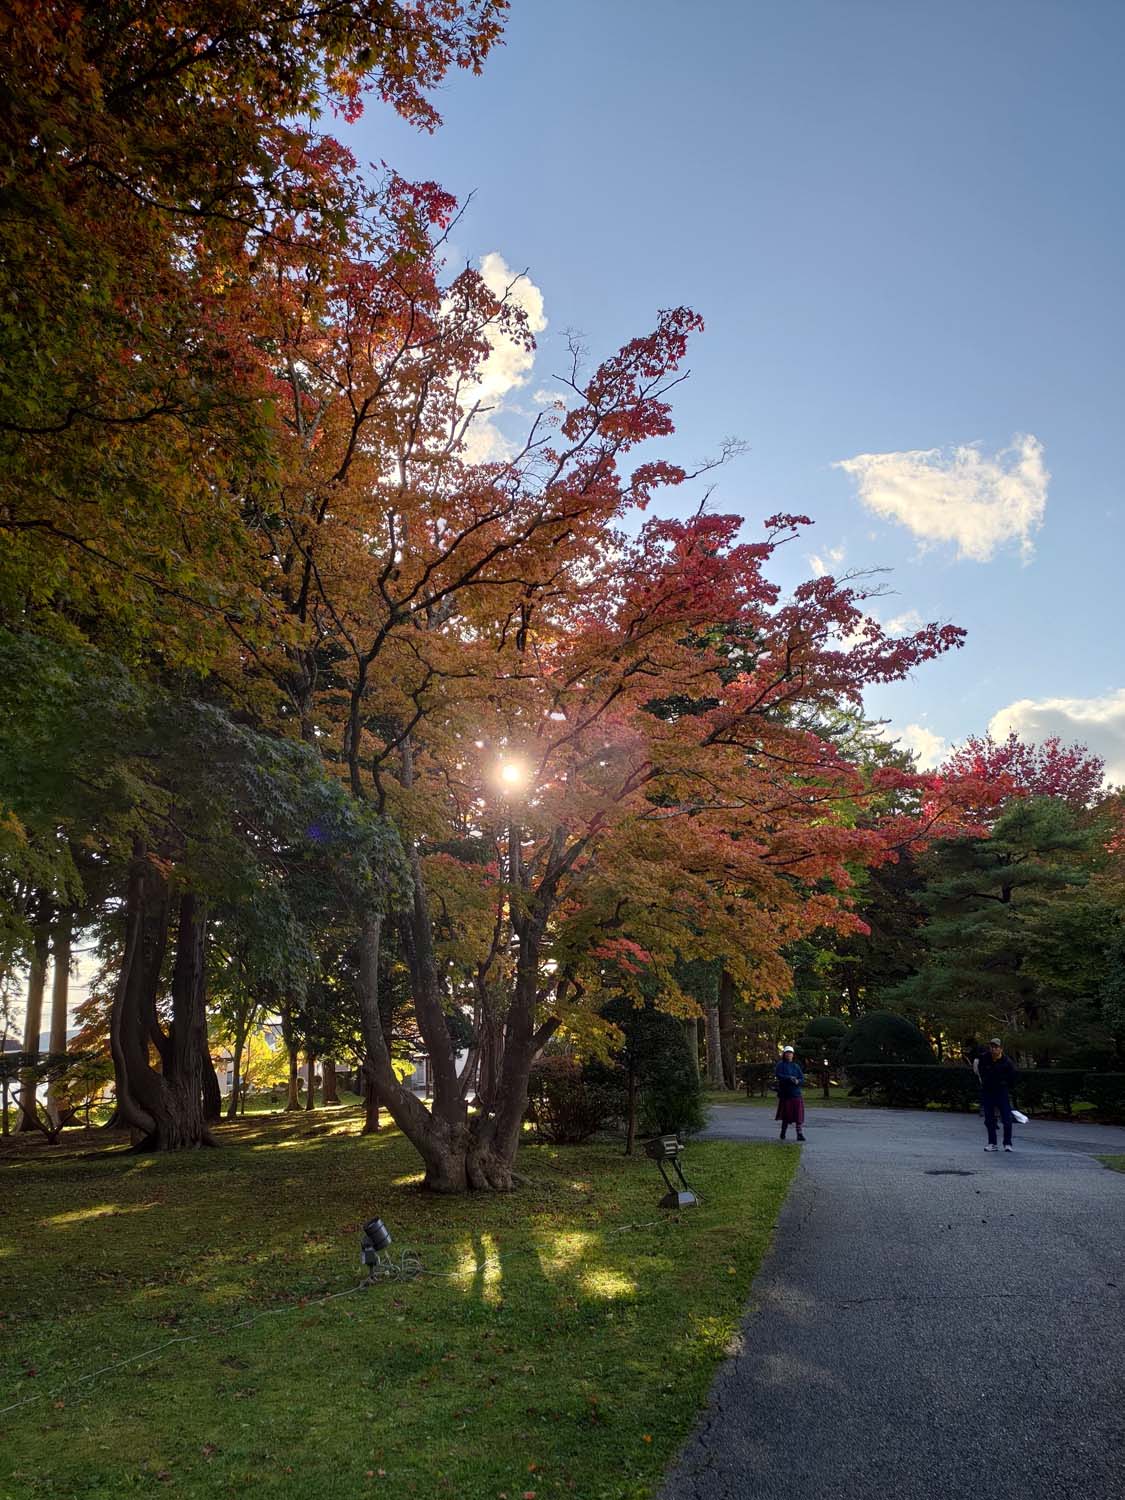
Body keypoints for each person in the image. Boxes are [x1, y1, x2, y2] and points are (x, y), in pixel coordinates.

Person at [978, 1037, 1017, 1152]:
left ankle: (1007, 1143)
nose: (993, 1049)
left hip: (1001, 1092)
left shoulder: (1007, 1062)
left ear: (1001, 1048)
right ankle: (992, 1143)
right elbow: (981, 1070)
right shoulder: (985, 1058)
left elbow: (1013, 1076)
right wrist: (985, 1081)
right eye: (991, 1047)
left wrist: (1004, 1084)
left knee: (1006, 1118)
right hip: (988, 1091)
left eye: (996, 1047)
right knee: (989, 1119)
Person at [774, 1045, 806, 1142]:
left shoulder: (795, 1066)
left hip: (796, 1093)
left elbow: (802, 1078)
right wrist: (789, 1078)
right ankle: (783, 1132)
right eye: (787, 1053)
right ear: (784, 1054)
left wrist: (797, 1081)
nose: (789, 1055)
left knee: (798, 1114)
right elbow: (778, 1075)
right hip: (785, 1094)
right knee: (786, 1115)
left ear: (793, 1055)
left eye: (791, 1053)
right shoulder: (780, 1065)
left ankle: (799, 1133)